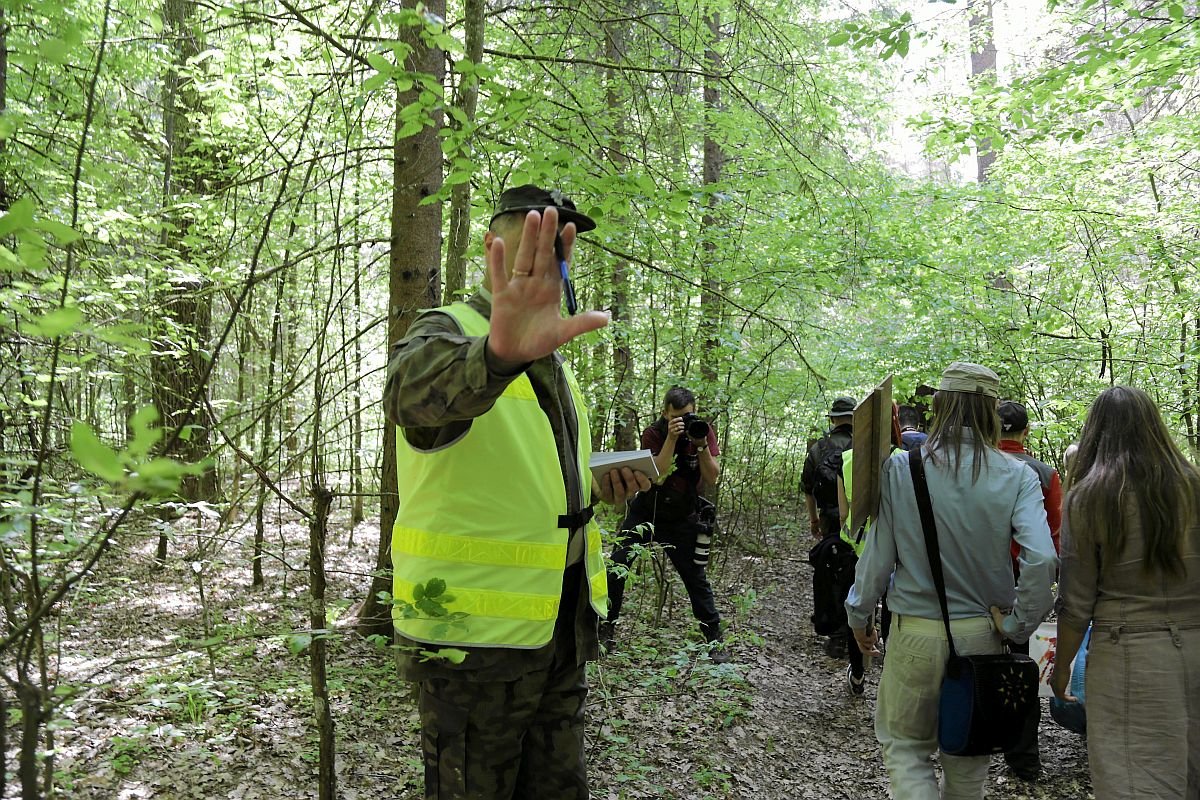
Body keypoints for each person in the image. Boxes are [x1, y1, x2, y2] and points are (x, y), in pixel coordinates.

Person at [383, 185, 651, 800]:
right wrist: (497, 354)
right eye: (530, 236)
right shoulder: (451, 332)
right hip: (471, 645)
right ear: (490, 247)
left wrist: (599, 487)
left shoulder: (555, 361)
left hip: (559, 630)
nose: (548, 254)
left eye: (559, 243)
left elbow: (527, 478)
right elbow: (407, 396)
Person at [845, 362, 1057, 800]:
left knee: (906, 751)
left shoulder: (902, 468)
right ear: (992, 413)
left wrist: (858, 614)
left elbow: (878, 555)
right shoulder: (1018, 475)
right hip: (983, 636)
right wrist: (1018, 626)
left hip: (913, 635)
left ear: (939, 405)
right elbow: (1041, 558)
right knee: (967, 760)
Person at [1051, 386, 1200, 800]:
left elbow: (1076, 602)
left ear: (1096, 431)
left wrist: (1061, 668)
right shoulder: (1194, 487)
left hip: (1129, 654)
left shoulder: (1090, 498)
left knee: (1135, 778)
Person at [601, 386, 728, 662]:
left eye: (690, 414)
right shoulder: (654, 433)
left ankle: (714, 638)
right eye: (678, 416)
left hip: (682, 517)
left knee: (695, 578)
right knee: (617, 567)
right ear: (665, 414)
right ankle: (605, 629)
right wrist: (672, 437)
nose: (685, 420)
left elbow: (712, 476)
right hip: (646, 511)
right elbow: (656, 475)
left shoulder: (702, 431)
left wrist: (702, 444)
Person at [997, 400, 1063, 781]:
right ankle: (1023, 759)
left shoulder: (975, 468)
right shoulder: (1045, 473)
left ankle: (970, 741)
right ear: (1025, 432)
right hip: (1026, 581)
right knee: (1022, 667)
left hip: (975, 582)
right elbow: (1054, 534)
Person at [835, 402, 902, 695]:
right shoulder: (905, 461)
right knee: (890, 607)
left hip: (859, 547)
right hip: (897, 549)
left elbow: (842, 512)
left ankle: (858, 673)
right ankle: (889, 669)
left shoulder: (847, 459)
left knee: (859, 607)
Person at [802, 397, 855, 657]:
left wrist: (814, 520)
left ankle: (835, 633)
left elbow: (808, 490)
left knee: (830, 569)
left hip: (829, 519)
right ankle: (855, 629)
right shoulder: (864, 446)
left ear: (832, 419)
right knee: (855, 571)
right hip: (859, 521)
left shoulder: (818, 449)